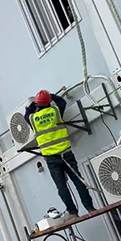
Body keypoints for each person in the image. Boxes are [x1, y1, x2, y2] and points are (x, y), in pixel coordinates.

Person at [25, 90, 95, 220]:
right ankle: (90, 207)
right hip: (66, 153)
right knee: (78, 181)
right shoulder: (56, 111)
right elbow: (61, 101)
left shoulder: (33, 119)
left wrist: (33, 104)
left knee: (61, 187)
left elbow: (27, 113)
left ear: (37, 105)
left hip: (51, 159)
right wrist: (51, 96)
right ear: (48, 103)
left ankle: (73, 212)